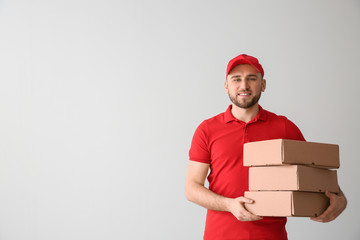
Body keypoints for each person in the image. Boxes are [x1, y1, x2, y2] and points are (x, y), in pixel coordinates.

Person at [185, 54, 347, 240]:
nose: (244, 86)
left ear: (263, 85)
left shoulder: (284, 127)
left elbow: (315, 176)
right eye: (236, 79)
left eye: (251, 78)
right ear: (226, 86)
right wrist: (229, 204)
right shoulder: (207, 129)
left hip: (271, 236)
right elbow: (191, 188)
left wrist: (340, 200)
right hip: (220, 235)